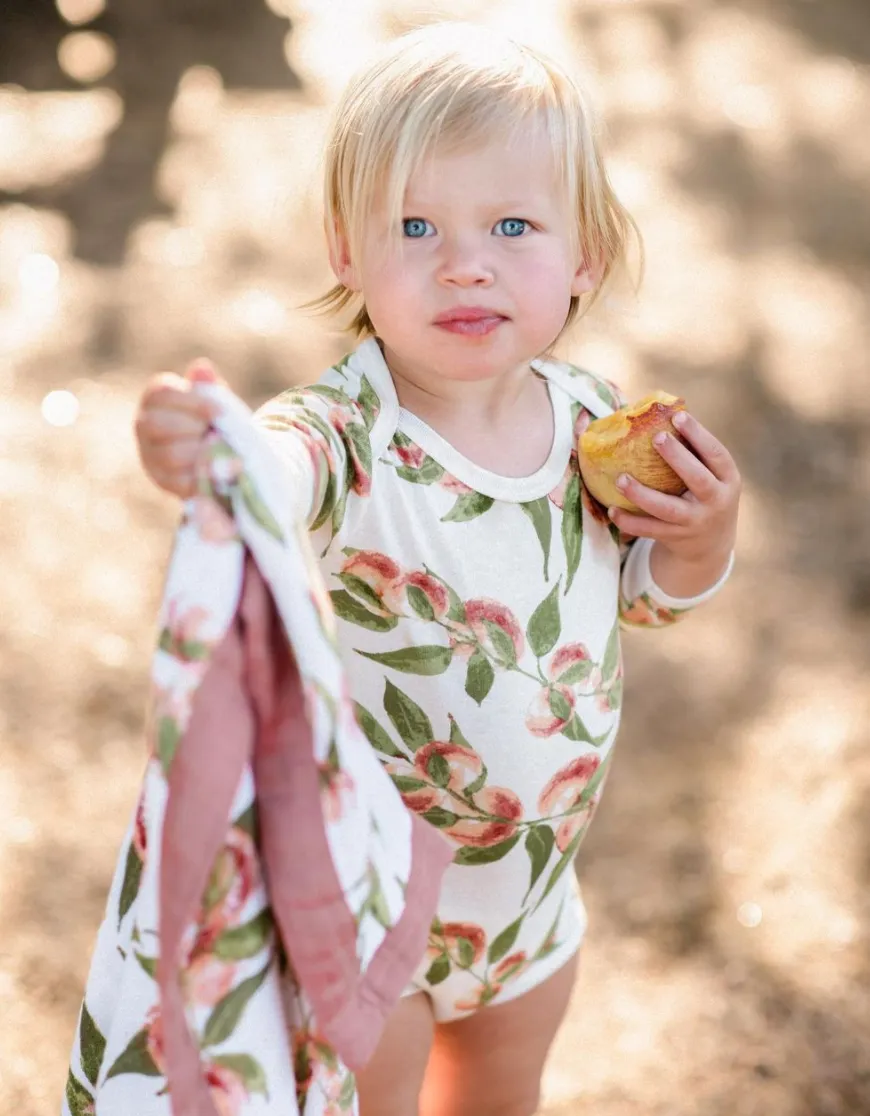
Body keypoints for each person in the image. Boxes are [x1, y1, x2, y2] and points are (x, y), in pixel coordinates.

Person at [134, 22, 740, 1116]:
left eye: (514, 225)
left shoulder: (598, 425)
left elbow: (648, 594)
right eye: (415, 225)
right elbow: (277, 470)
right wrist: (217, 446)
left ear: (585, 255)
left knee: (506, 1090)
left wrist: (700, 540)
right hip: (367, 906)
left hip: (530, 905)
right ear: (346, 253)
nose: (466, 262)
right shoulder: (343, 432)